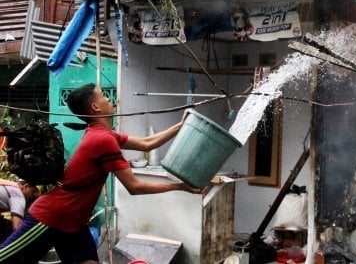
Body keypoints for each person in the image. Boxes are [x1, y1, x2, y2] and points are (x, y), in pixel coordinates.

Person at [0, 83, 205, 263]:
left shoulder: (104, 135)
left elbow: (147, 143)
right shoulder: (102, 140)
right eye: (103, 96)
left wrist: (181, 126)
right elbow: (134, 187)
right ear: (96, 107)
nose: (109, 99)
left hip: (74, 223)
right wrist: (179, 186)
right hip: (51, 217)